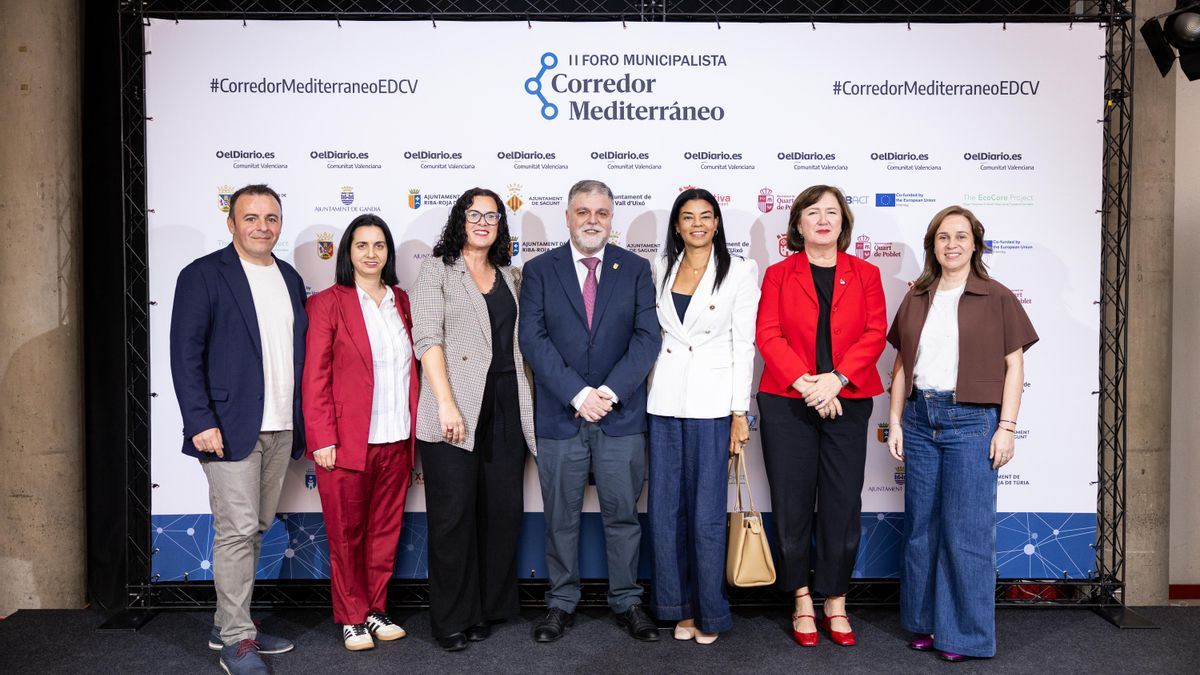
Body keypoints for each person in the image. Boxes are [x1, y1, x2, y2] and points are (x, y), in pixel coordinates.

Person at [885, 206, 1037, 662]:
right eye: (942, 237)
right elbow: (900, 366)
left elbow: (1015, 366)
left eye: (960, 236)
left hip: (972, 422)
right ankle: (925, 623)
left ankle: (965, 636)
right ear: (933, 245)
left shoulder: (997, 296)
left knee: (966, 532)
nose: (951, 244)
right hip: (919, 418)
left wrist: (1006, 428)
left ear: (975, 243)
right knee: (922, 530)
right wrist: (894, 421)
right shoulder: (917, 296)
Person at [169, 184, 307, 675]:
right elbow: (185, 356)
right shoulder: (204, 275)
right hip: (226, 428)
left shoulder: (289, 278)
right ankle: (236, 640)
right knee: (237, 531)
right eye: (251, 217)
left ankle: (230, 621)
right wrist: (200, 420)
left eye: (271, 217)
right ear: (231, 223)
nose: (262, 226)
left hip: (279, 424)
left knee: (255, 529)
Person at [519, 179, 662, 643]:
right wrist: (579, 395)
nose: (592, 220)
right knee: (560, 517)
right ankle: (560, 602)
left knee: (622, 516)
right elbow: (532, 340)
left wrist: (608, 392)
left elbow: (647, 338)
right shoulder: (539, 269)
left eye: (601, 212)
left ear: (611, 218)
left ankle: (627, 601)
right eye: (583, 211)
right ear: (567, 216)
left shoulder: (636, 268)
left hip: (620, 417)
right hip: (562, 417)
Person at [755, 184, 887, 647]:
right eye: (813, 212)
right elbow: (768, 336)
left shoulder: (866, 273)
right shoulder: (778, 274)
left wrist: (837, 380)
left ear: (844, 223)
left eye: (832, 212)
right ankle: (803, 599)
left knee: (841, 504)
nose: (823, 220)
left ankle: (836, 599)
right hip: (788, 401)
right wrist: (809, 384)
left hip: (847, 400)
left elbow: (875, 334)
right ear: (798, 224)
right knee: (792, 504)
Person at [411, 187, 537, 652]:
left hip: (507, 403)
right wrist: (445, 403)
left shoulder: (513, 275)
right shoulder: (436, 271)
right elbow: (426, 337)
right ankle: (450, 618)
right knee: (453, 516)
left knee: (501, 513)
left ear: (501, 225)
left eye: (492, 215)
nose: (483, 222)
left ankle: (486, 608)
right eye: (473, 214)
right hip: (455, 403)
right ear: (459, 220)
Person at [645, 188, 760, 644]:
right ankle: (678, 608)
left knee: (708, 514)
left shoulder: (740, 270)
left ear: (716, 224)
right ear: (676, 225)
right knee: (666, 512)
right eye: (688, 216)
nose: (697, 224)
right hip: (665, 402)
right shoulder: (660, 268)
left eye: (706, 216)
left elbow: (743, 345)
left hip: (713, 405)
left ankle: (711, 612)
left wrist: (739, 412)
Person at [302, 215, 417, 651]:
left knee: (384, 532)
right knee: (346, 534)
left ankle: (374, 609)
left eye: (379, 245)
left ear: (389, 253)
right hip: (346, 443)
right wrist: (322, 439)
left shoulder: (402, 301)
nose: (371, 254)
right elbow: (315, 377)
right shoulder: (328, 303)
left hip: (397, 437)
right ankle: (351, 617)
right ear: (347, 253)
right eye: (362, 245)